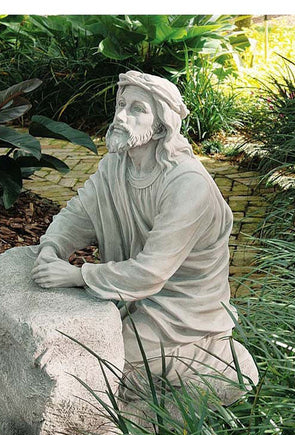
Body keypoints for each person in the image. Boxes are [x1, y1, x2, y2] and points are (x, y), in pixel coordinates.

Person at [31, 70, 258, 405]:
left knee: (107, 360)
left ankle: (212, 359)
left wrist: (78, 275)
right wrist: (52, 248)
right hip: (130, 295)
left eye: (137, 108)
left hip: (180, 310)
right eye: (121, 104)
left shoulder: (187, 184)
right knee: (75, 346)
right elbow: (81, 212)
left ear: (162, 124)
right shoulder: (116, 165)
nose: (122, 115)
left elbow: (152, 270)